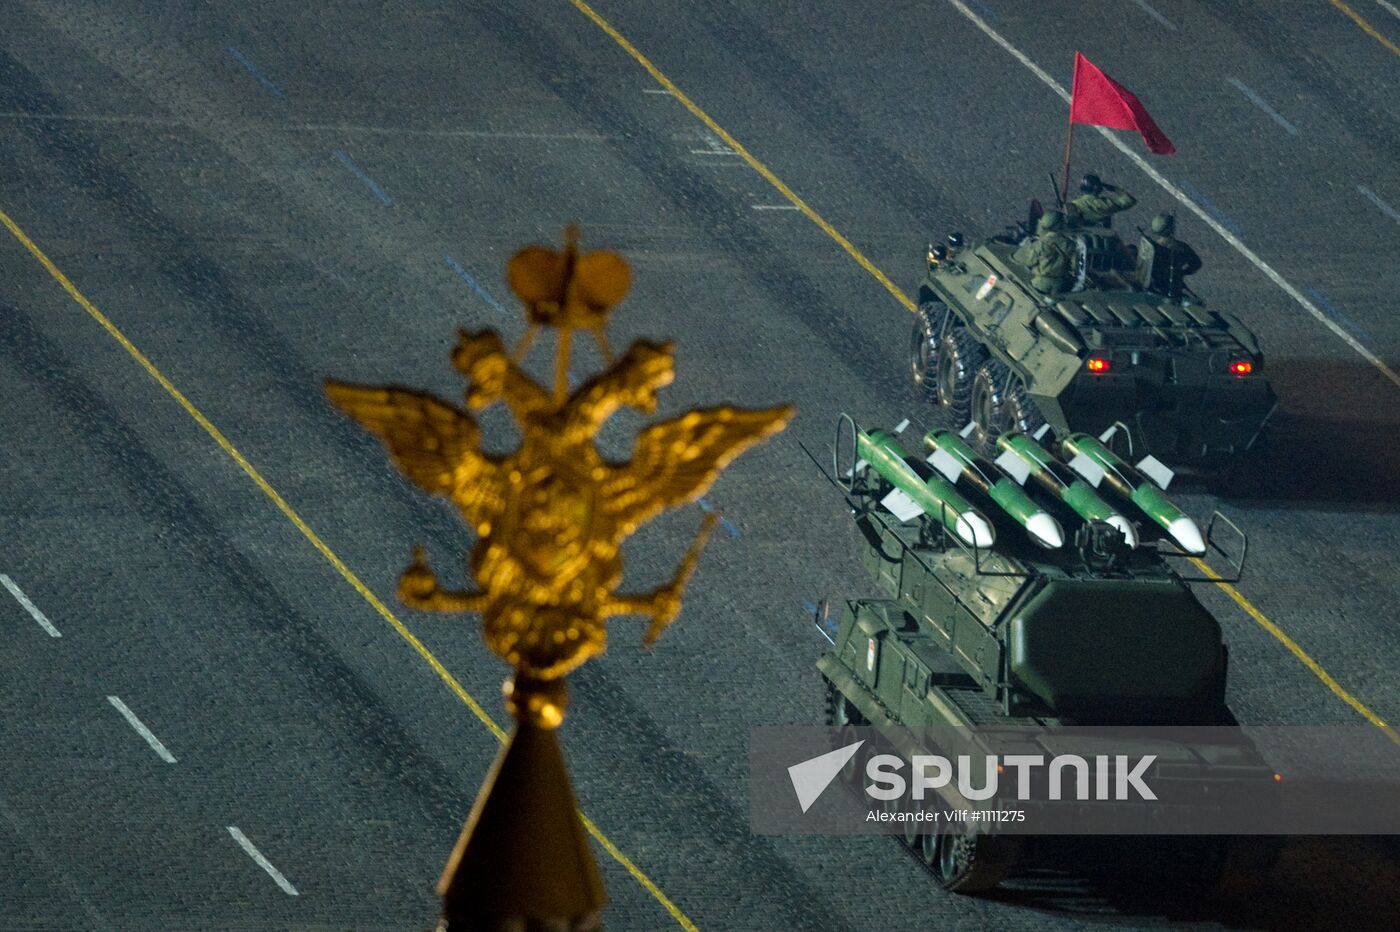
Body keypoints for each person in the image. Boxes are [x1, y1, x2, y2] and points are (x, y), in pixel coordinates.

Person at [1137, 212, 1202, 298]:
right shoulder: (1181, 247)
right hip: (1172, 288)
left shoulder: (1151, 247)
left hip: (1154, 285)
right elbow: (1196, 264)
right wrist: (1181, 273)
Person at [1013, 208, 1076, 294]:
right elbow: (1074, 265)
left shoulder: (1043, 243)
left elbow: (1028, 260)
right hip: (1059, 285)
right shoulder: (1070, 244)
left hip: (1040, 283)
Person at [1066, 173, 1136, 228]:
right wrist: (1114, 188)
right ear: (1097, 187)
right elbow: (1129, 200)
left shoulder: (1075, 202)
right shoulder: (1101, 204)